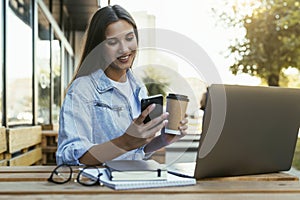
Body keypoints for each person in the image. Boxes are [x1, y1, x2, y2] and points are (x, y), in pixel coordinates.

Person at [56, 5, 189, 166]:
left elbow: (136, 151)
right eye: (112, 42)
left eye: (129, 38)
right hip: (98, 186)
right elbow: (69, 156)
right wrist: (124, 142)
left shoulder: (138, 87)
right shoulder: (82, 90)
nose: (124, 49)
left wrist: (163, 139)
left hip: (132, 181)